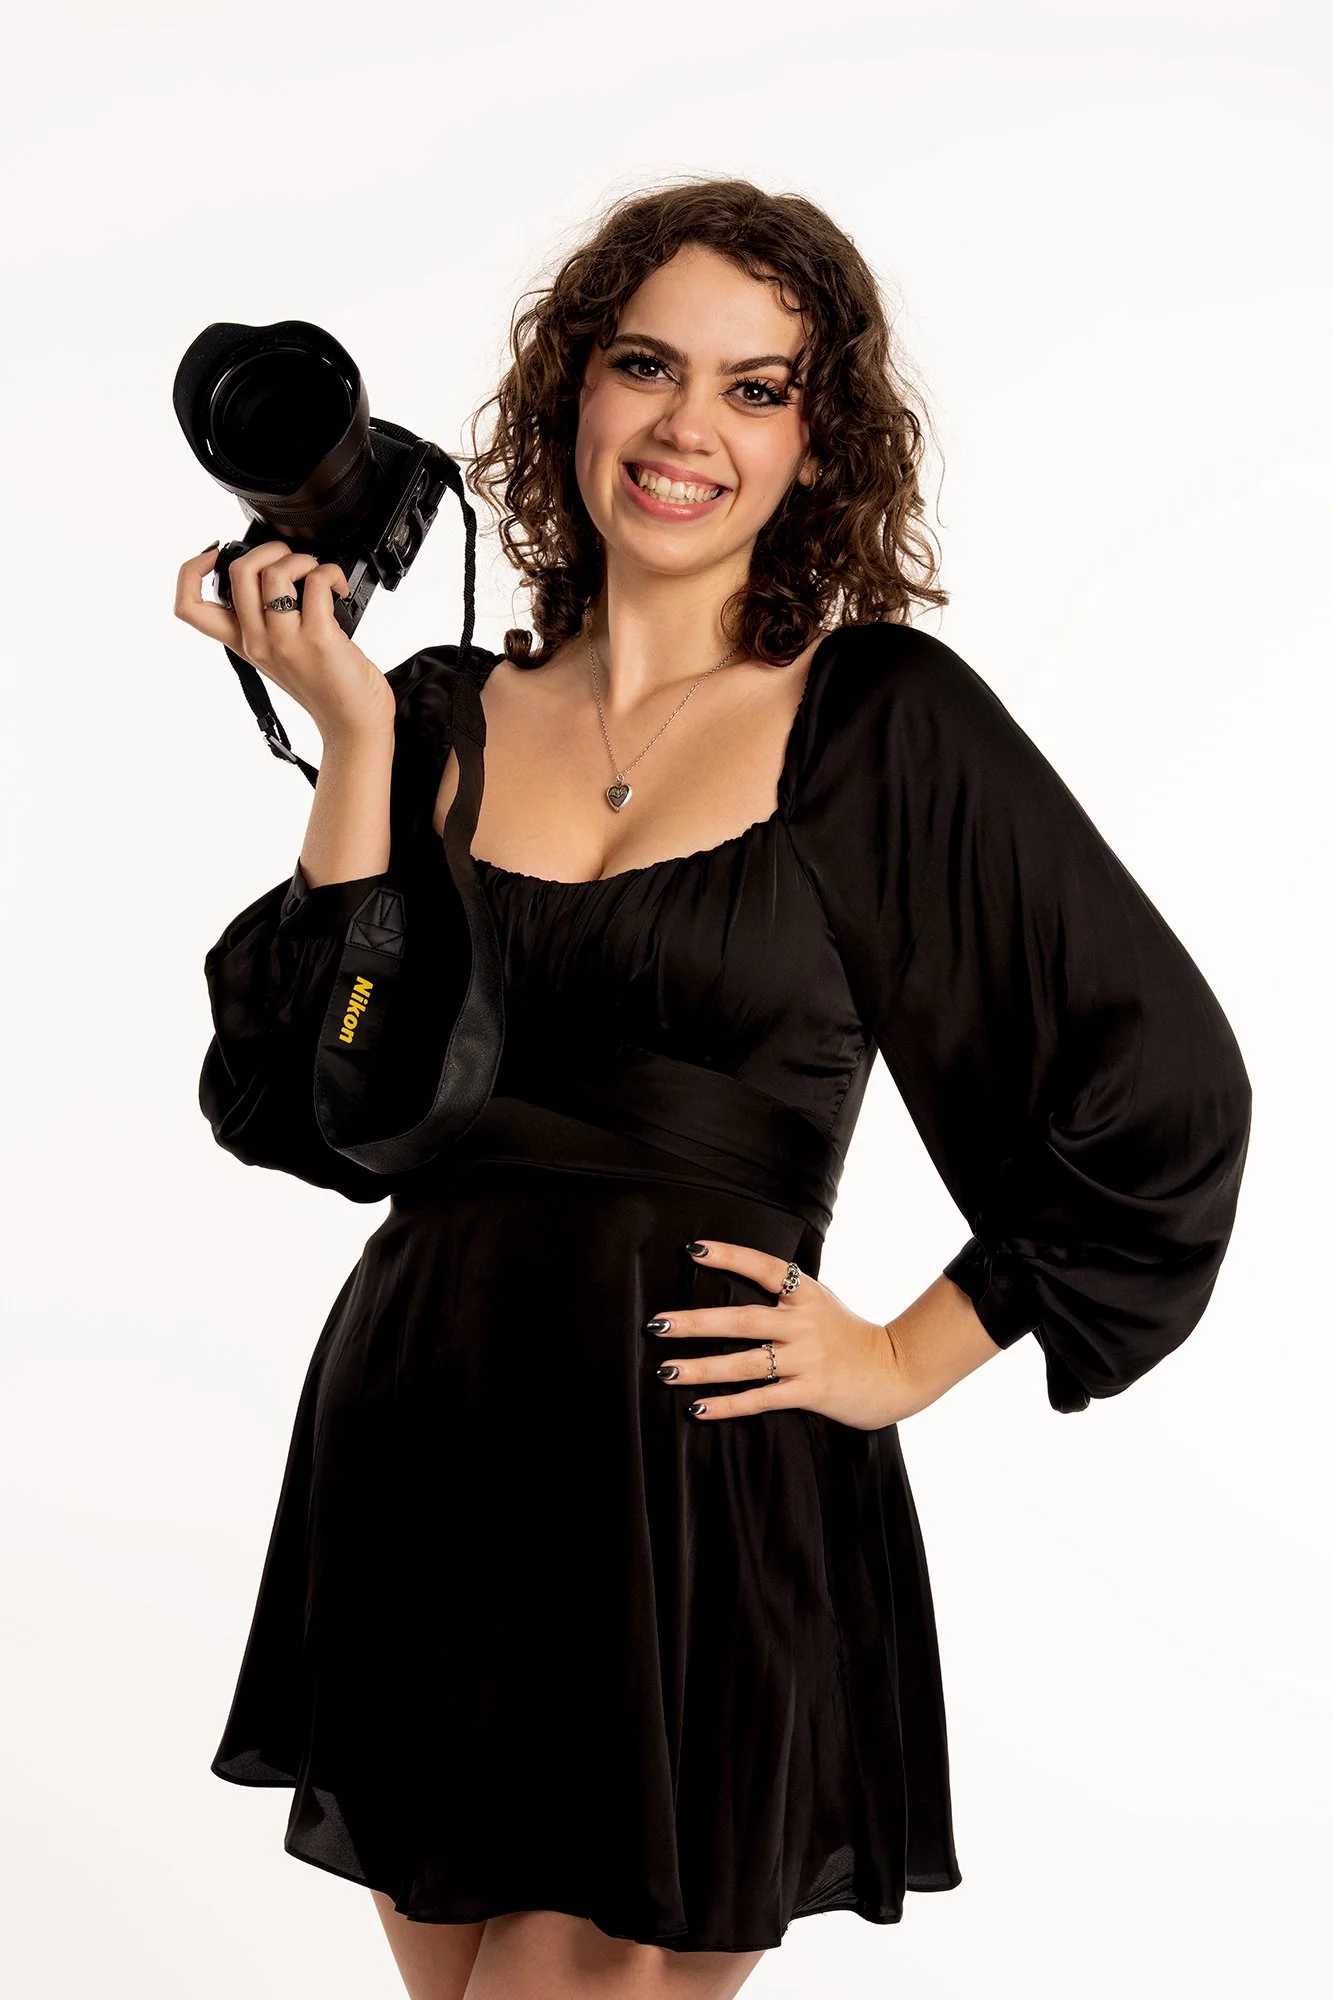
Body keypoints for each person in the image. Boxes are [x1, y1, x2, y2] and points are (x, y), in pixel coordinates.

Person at [173, 178, 1252, 2000]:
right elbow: (315, 1109)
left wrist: (908, 1351)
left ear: (818, 447)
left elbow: (1160, 1092)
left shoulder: (879, 721)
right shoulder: (430, 714)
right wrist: (351, 737)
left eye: (758, 389)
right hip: (423, 1453)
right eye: (647, 366)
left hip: (695, 1486)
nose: (689, 427)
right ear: (569, 397)